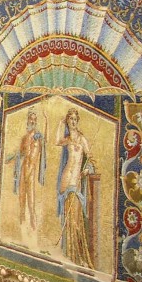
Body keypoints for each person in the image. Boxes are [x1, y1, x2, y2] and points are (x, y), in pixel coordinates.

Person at [55, 108, 95, 269]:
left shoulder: (82, 139)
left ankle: (78, 254)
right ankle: (69, 253)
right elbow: (56, 141)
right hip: (66, 179)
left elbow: (91, 159)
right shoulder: (67, 139)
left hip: (76, 180)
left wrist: (87, 170)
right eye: (70, 119)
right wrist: (59, 124)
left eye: (74, 119)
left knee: (76, 218)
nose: (72, 121)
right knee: (68, 217)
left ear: (77, 121)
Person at [12, 109, 46, 229]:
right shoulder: (24, 138)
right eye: (30, 119)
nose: (32, 121)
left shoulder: (38, 137)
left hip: (31, 171)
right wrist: (14, 158)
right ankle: (21, 226)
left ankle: (33, 226)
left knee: (31, 204)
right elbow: (21, 154)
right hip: (23, 170)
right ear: (27, 121)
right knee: (22, 200)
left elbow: (36, 156)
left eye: (34, 119)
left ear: (36, 122)